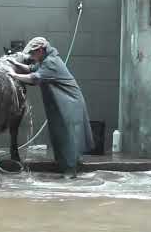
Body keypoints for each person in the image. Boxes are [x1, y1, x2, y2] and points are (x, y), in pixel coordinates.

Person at [7, 37, 94, 178]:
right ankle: (65, 167)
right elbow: (30, 68)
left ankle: (70, 172)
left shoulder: (51, 62)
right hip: (60, 104)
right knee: (59, 134)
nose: (31, 56)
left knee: (68, 136)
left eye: (33, 53)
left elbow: (34, 78)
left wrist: (14, 75)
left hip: (70, 103)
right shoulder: (45, 60)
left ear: (41, 50)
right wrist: (13, 63)